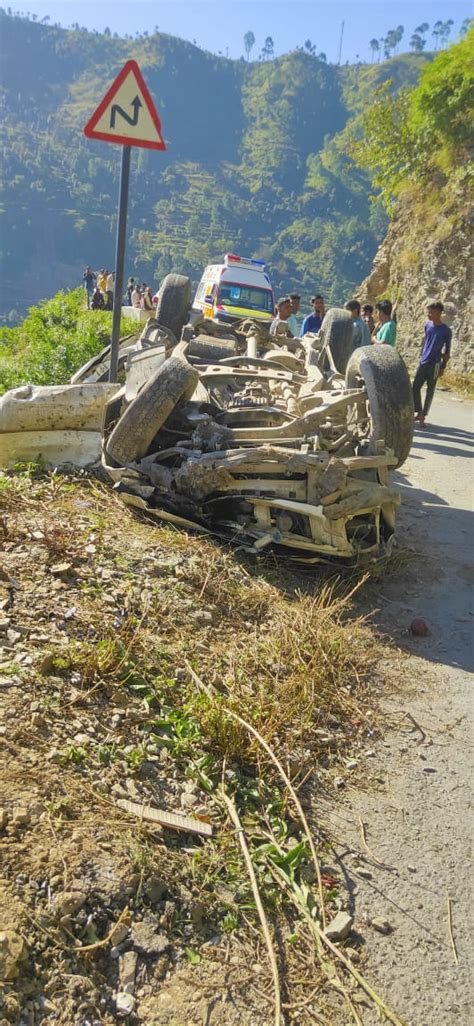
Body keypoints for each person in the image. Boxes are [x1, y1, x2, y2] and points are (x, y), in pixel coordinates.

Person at [412, 302, 452, 426]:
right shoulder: (427, 325)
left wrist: (443, 367)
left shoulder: (446, 331)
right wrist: (421, 356)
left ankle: (423, 415)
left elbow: (447, 352)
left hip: (435, 364)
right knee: (415, 387)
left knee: (430, 390)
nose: (428, 314)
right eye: (428, 312)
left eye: (431, 312)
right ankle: (419, 411)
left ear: (439, 313)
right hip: (424, 361)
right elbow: (426, 343)